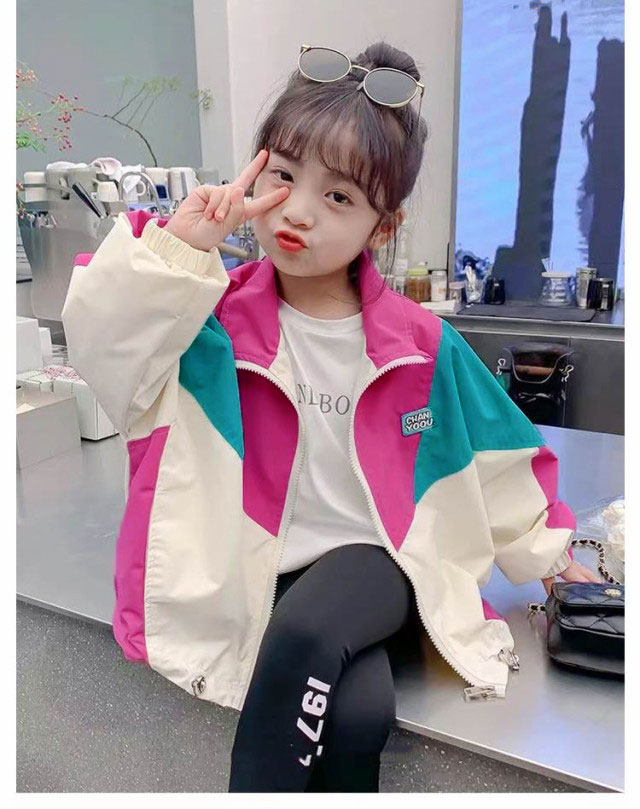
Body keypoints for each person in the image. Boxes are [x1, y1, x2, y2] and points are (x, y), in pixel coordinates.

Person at [61, 41, 601, 794]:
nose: (299, 211)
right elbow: (102, 349)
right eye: (283, 175)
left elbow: (498, 458)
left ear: (383, 226)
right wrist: (178, 250)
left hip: (381, 566)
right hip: (263, 574)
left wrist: (550, 559)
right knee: (356, 714)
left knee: (322, 615)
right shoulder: (203, 325)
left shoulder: (422, 346)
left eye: (340, 197)